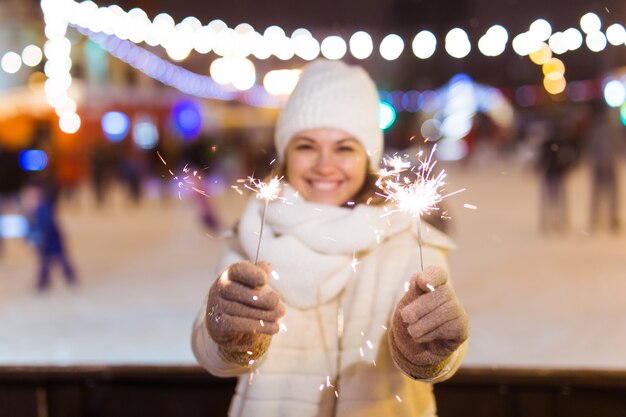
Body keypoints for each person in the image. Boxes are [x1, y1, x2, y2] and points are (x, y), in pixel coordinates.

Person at [191, 60, 469, 417]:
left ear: (367, 156)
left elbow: (442, 363)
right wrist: (230, 335)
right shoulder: (253, 234)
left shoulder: (409, 239)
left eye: (344, 148)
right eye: (306, 146)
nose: (324, 165)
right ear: (285, 153)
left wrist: (428, 350)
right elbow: (210, 353)